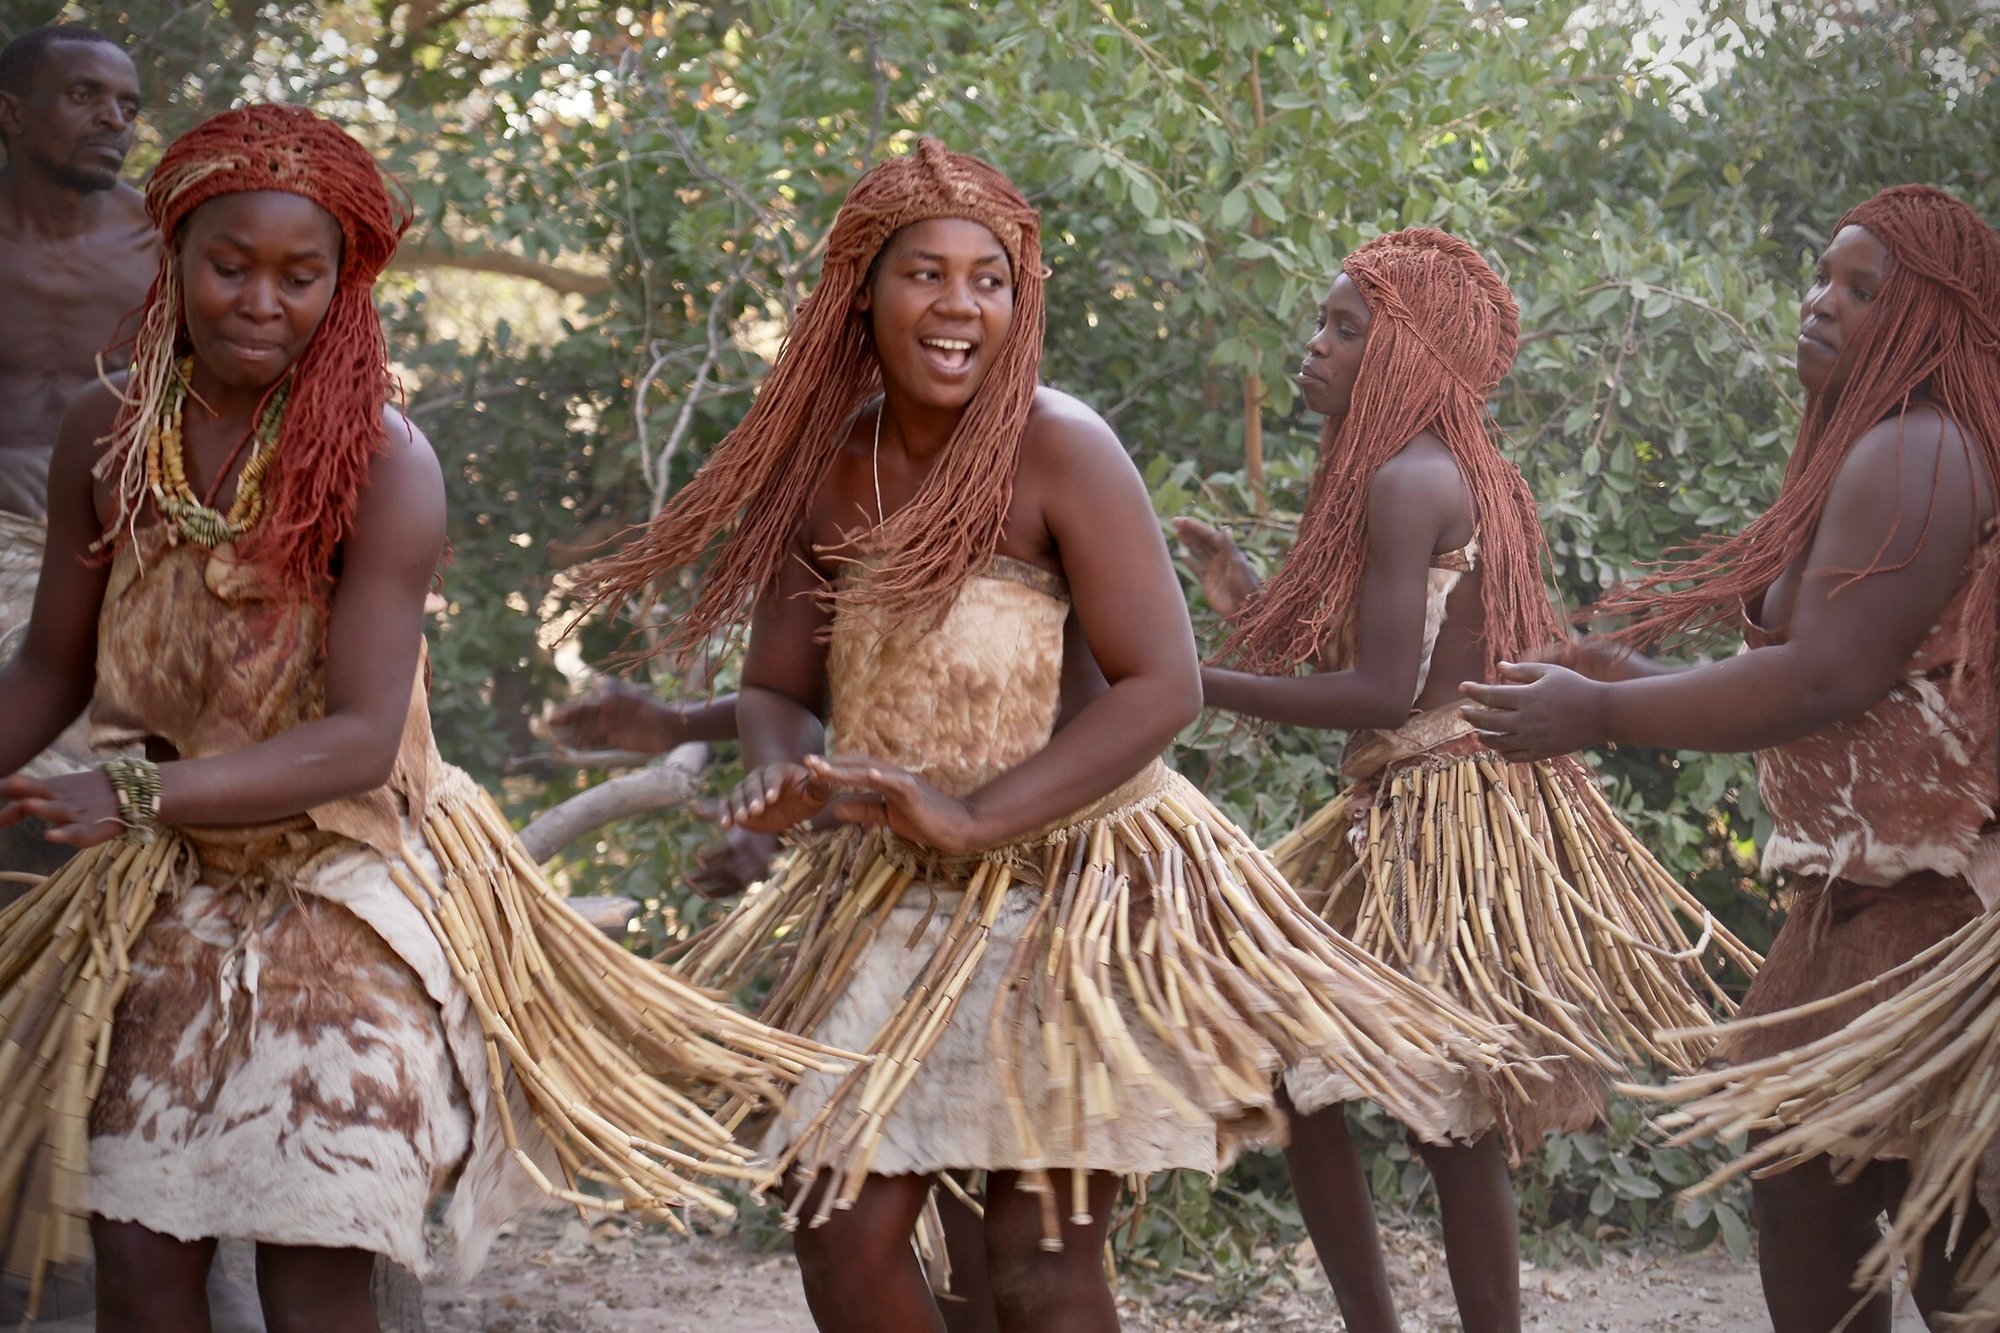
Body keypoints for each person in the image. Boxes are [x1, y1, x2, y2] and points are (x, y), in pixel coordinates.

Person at [579, 140, 1502, 1333]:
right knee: (839, 1233)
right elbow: (776, 683)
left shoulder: (1060, 447)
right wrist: (775, 774)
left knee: (1036, 1267)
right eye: (926, 274)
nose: (960, 304)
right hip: (892, 893)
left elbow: (1158, 684)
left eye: (990, 278)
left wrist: (973, 815)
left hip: (1063, 888)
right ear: (861, 288)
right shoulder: (828, 464)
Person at [0, 103, 845, 1331]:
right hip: (180, 889)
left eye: (301, 275)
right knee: (140, 1264)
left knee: (313, 1260)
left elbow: (354, 740)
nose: (258, 301)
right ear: (171, 256)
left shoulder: (382, 460)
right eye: (229, 265)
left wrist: (126, 793)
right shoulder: (108, 432)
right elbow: (48, 671)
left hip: (354, 884)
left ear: (345, 286)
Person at [1181, 227, 1758, 1333]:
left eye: (1345, 329)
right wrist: (1239, 595)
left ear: (1406, 355)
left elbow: (1379, 692)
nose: (1313, 347)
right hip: (1418, 799)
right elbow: (1373, 659)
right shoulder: (1420, 469)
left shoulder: (1412, 478)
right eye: (1320, 321)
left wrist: (1193, 684)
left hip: (1446, 801)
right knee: (1298, 1068)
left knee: (1440, 1113)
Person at [1462, 184, 2000, 1332]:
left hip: (1941, 920)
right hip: (1858, 915)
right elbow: (1832, 692)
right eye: (1822, 275)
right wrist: (1621, 679)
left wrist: (1601, 718)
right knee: (1822, 1204)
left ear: (1931, 324)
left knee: (1944, 1245)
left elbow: (1823, 679)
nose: (1819, 303)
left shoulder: (1921, 452)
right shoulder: (1880, 450)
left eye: (1862, 291)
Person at [0, 24, 157, 874]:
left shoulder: (167, 250)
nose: (114, 120)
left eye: (128, 106)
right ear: (11, 113)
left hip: (114, 538)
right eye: (85, 96)